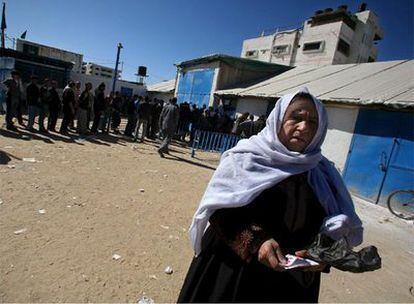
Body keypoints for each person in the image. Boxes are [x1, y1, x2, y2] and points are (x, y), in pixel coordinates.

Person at [177, 88, 363, 303]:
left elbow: (328, 223)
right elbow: (219, 212)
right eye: (296, 117)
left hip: (291, 284)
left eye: (313, 122)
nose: (304, 127)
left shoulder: (322, 172)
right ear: (278, 119)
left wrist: (323, 254)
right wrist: (258, 242)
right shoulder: (245, 158)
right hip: (235, 272)